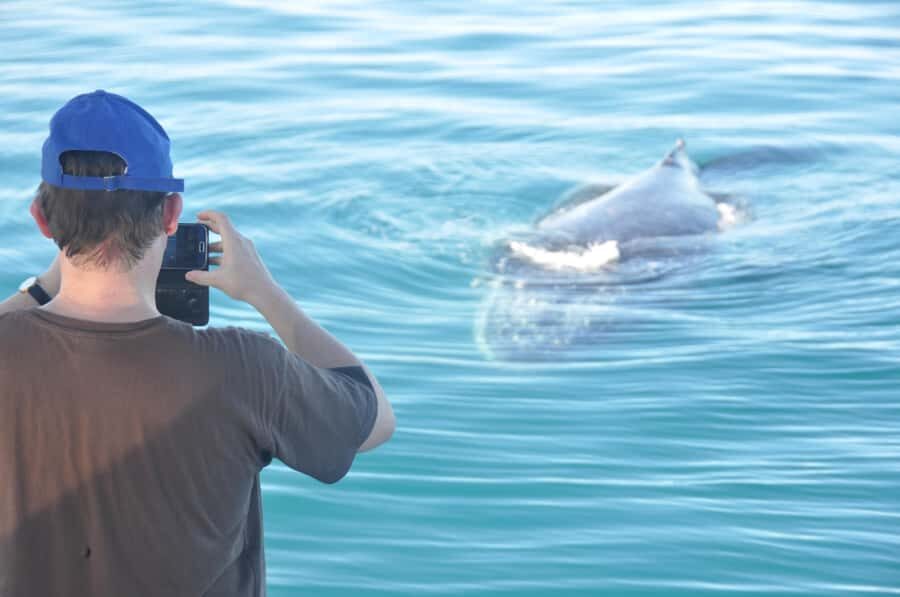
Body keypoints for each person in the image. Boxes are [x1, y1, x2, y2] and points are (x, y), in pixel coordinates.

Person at [0, 90, 395, 596]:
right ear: (171, 215)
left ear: (41, 219)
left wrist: (42, 288)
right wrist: (265, 293)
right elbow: (375, 419)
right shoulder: (243, 369)